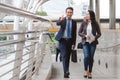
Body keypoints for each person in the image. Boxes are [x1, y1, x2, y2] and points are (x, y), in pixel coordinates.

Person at [78, 10, 101, 79]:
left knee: (91, 58)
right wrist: (85, 36)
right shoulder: (84, 23)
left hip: (93, 43)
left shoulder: (95, 23)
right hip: (85, 43)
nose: (86, 15)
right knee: (86, 56)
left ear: (91, 15)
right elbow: (79, 32)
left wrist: (95, 38)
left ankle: (90, 72)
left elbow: (99, 33)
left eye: (88, 14)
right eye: (86, 14)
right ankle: (85, 70)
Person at [55, 7, 77, 78]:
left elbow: (74, 33)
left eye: (70, 12)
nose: (69, 14)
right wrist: (60, 20)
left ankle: (67, 70)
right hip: (62, 40)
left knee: (67, 57)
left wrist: (74, 43)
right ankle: (66, 72)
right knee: (64, 56)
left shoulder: (74, 22)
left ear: (72, 13)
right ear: (66, 13)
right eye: (68, 12)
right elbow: (57, 23)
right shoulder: (63, 19)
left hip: (70, 41)